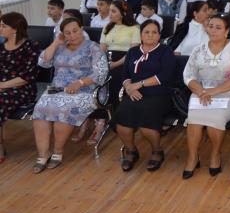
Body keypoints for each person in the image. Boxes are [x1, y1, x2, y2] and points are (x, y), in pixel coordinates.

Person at [31, 18, 108, 172]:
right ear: (62, 34)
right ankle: (43, 154)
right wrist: (56, 43)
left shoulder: (93, 47)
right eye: (67, 33)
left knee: (64, 110)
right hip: (57, 89)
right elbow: (43, 62)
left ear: (81, 29)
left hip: (86, 89)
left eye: (75, 31)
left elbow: (101, 73)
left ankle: (57, 152)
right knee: (40, 109)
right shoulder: (59, 47)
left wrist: (79, 83)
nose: (72, 35)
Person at [182, 14, 230, 179]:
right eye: (211, 26)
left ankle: (215, 154)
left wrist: (213, 91)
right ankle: (192, 157)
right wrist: (200, 91)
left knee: (215, 118)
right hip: (202, 92)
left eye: (218, 27)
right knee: (194, 119)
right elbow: (188, 75)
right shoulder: (198, 49)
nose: (213, 30)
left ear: (227, 31)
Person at [114, 20, 176, 172]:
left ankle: (157, 151)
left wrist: (140, 84)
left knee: (146, 125)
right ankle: (131, 151)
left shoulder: (165, 51)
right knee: (122, 123)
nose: (150, 35)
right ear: (141, 35)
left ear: (159, 35)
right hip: (134, 93)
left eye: (154, 32)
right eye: (146, 32)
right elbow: (125, 74)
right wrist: (129, 88)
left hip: (159, 94)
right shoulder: (132, 51)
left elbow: (166, 75)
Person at [0, 13, 39, 162]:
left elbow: (28, 76)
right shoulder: (1, 47)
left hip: (22, 88)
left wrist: (3, 85)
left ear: (15, 29)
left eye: (3, 26)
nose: (0, 28)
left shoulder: (30, 46)